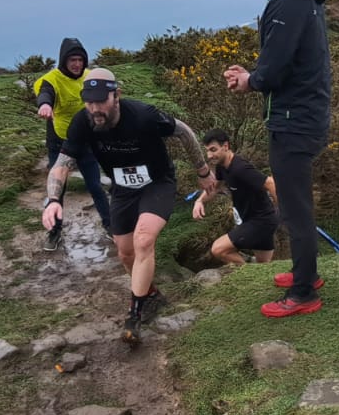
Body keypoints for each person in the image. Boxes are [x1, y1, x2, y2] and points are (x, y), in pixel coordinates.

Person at [42, 69, 218, 344]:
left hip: (157, 183)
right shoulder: (83, 121)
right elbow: (62, 165)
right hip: (123, 189)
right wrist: (53, 200)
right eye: (89, 101)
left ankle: (133, 315)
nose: (95, 108)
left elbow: (184, 131)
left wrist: (203, 170)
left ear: (117, 96)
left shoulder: (143, 115)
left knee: (144, 240)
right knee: (125, 254)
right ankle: (151, 296)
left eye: (101, 100)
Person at [223, 0, 332, 318]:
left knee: (294, 208)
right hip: (306, 115)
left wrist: (247, 80)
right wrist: (253, 75)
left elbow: (273, 71)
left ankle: (304, 293)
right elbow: (281, 63)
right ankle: (307, 272)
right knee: (295, 202)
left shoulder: (287, 3)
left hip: (294, 122)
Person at [32, 38, 111, 248]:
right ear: (63, 61)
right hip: (59, 141)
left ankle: (110, 225)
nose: (76, 64)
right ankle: (54, 232)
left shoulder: (89, 77)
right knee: (58, 189)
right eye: (72, 60)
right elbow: (45, 93)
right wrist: (45, 105)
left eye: (80, 60)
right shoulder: (52, 79)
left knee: (95, 184)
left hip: (85, 140)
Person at [193, 129, 279, 266]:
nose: (209, 155)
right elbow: (215, 187)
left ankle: (248, 275)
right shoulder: (222, 166)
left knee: (218, 249)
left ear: (225, 146)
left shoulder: (240, 168)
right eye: (207, 151)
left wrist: (282, 210)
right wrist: (200, 201)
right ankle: (254, 275)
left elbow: (270, 183)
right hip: (252, 219)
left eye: (213, 150)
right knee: (264, 265)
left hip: (261, 221)